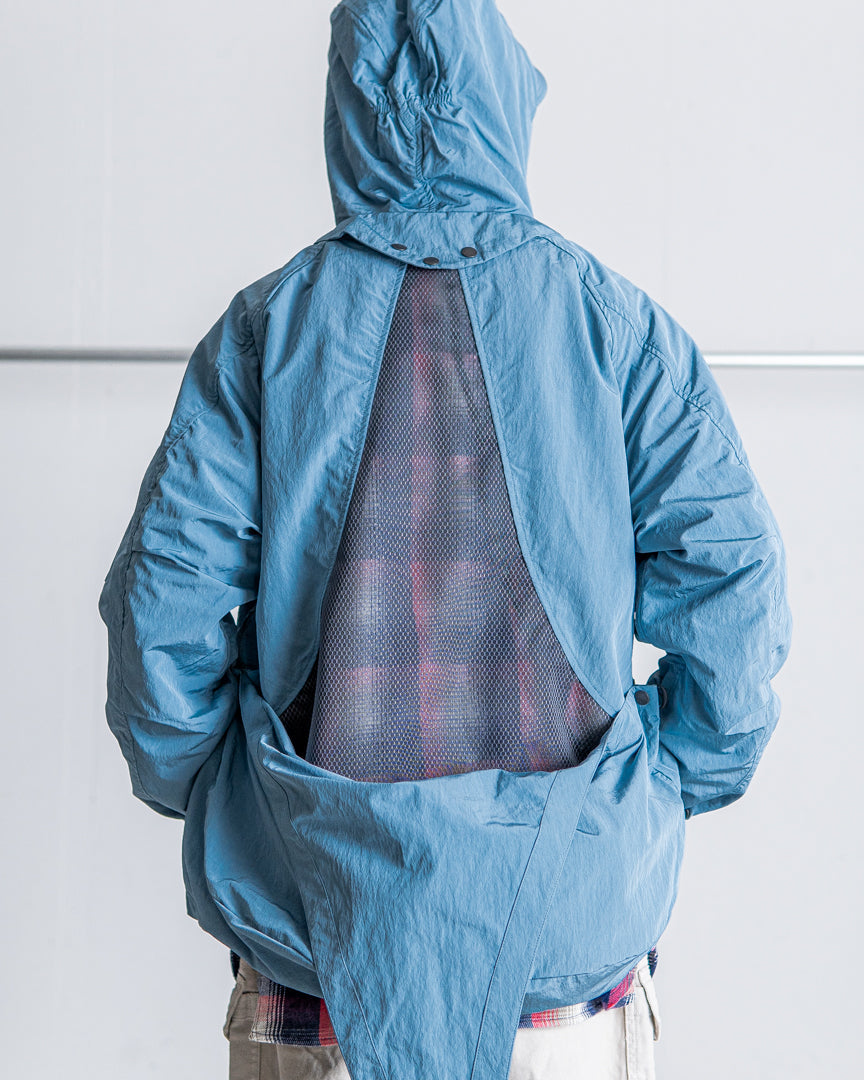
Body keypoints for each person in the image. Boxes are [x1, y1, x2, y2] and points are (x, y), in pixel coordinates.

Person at [97, 1, 793, 1078]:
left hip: (319, 961)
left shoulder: (264, 331)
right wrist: (650, 787)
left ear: (344, 107)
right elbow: (733, 591)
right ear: (506, 100)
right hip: (562, 978)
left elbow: (163, 609)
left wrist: (235, 796)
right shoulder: (617, 327)